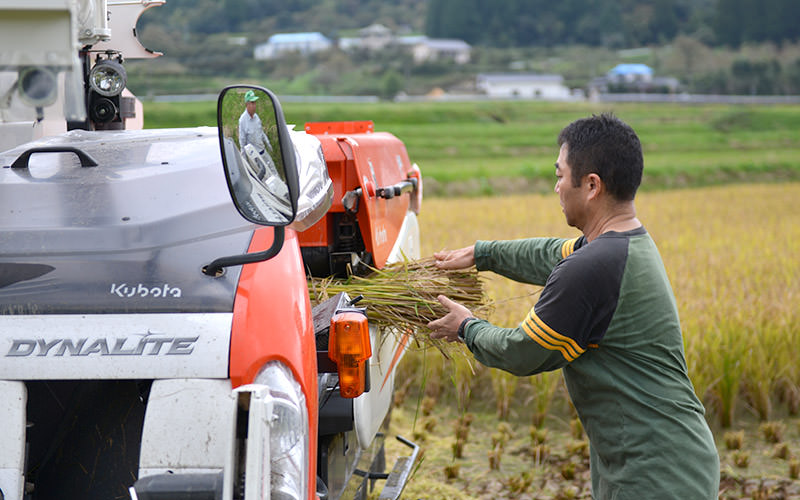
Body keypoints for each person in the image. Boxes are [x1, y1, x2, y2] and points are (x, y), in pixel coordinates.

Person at [427, 113, 720, 499]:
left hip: (655, 473)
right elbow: (549, 253)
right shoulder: (623, 244)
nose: (556, 187)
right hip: (663, 459)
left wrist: (466, 328)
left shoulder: (593, 267)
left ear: (592, 185)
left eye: (560, 175)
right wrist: (482, 254)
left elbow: (523, 352)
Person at [238, 89, 273, 155]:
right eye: (252, 103)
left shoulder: (256, 117)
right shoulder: (242, 120)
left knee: (272, 166)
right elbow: (242, 141)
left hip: (263, 151)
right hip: (254, 156)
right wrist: (245, 157)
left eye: (255, 103)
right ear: (247, 104)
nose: (254, 105)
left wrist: (268, 144)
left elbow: (261, 132)